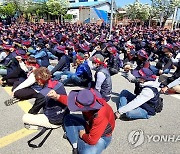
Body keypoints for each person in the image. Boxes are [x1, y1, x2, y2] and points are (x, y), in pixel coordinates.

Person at [48, 88, 115, 154]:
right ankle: (75, 140)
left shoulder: (100, 115)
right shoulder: (90, 100)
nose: (75, 106)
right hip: (89, 126)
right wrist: (56, 96)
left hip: (102, 136)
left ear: (86, 108)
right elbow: (69, 101)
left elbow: (92, 140)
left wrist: (83, 135)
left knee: (87, 152)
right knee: (68, 117)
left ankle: (74, 136)